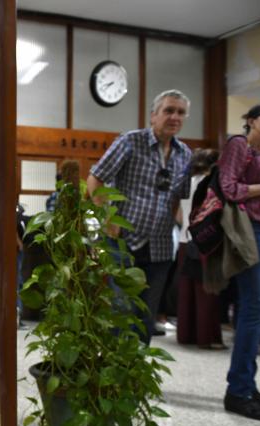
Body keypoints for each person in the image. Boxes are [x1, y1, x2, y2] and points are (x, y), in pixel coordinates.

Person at [87, 89, 193, 345]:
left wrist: (180, 228)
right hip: (122, 242)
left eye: (180, 112)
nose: (175, 117)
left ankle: (134, 377)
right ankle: (114, 379)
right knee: (121, 312)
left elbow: (178, 198)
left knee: (146, 318)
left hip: (159, 247)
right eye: (168, 110)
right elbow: (95, 178)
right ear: (153, 115)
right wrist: (108, 219)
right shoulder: (130, 142)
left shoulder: (185, 154)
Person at [218, 99, 260, 421]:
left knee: (254, 310)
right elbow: (228, 188)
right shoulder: (239, 145)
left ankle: (247, 384)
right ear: (252, 119)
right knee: (255, 309)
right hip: (250, 232)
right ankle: (238, 391)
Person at [176, 148, 225, 350]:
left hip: (184, 240)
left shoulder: (186, 182)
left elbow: (179, 216)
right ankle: (206, 337)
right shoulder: (211, 185)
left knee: (185, 294)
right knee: (207, 293)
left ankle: (186, 335)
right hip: (205, 242)